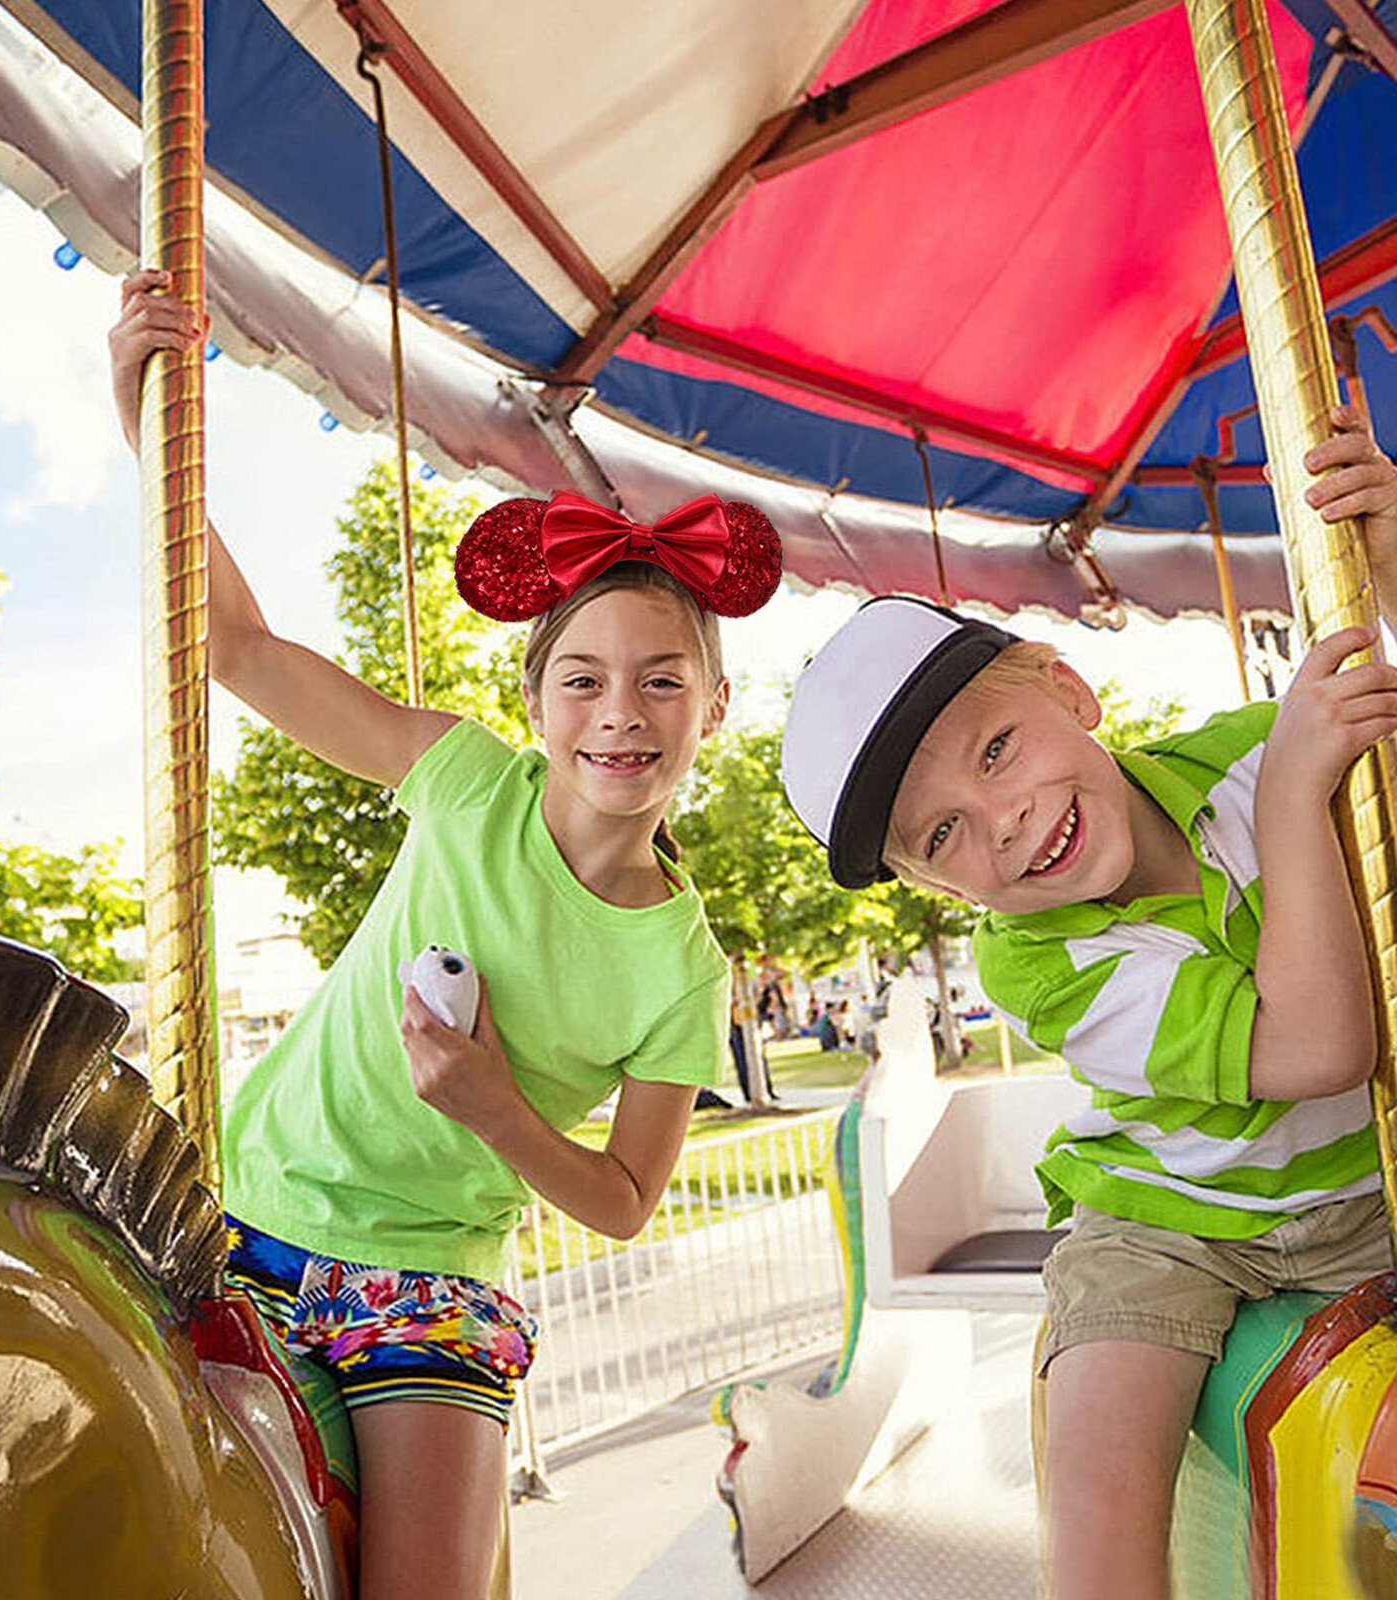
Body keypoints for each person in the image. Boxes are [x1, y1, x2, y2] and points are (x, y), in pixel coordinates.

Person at [109, 271, 782, 1600]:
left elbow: (629, 1201)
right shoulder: (467, 780)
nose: (620, 715)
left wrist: (493, 1109)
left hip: (421, 1280)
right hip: (242, 1211)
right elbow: (236, 651)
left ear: (715, 704)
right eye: (583, 680)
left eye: (662, 683)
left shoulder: (681, 965)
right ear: (536, 700)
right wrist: (145, 419)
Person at [780, 408, 1397, 1600]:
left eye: (996, 748)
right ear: (930, 882)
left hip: (1355, 1193)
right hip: (1171, 1227)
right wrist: (1291, 802)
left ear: (1074, 691)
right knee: (1101, 1453)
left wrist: (1383, 551)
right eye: (942, 833)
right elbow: (1317, 1045)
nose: (997, 819)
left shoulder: (1241, 758)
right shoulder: (1038, 960)